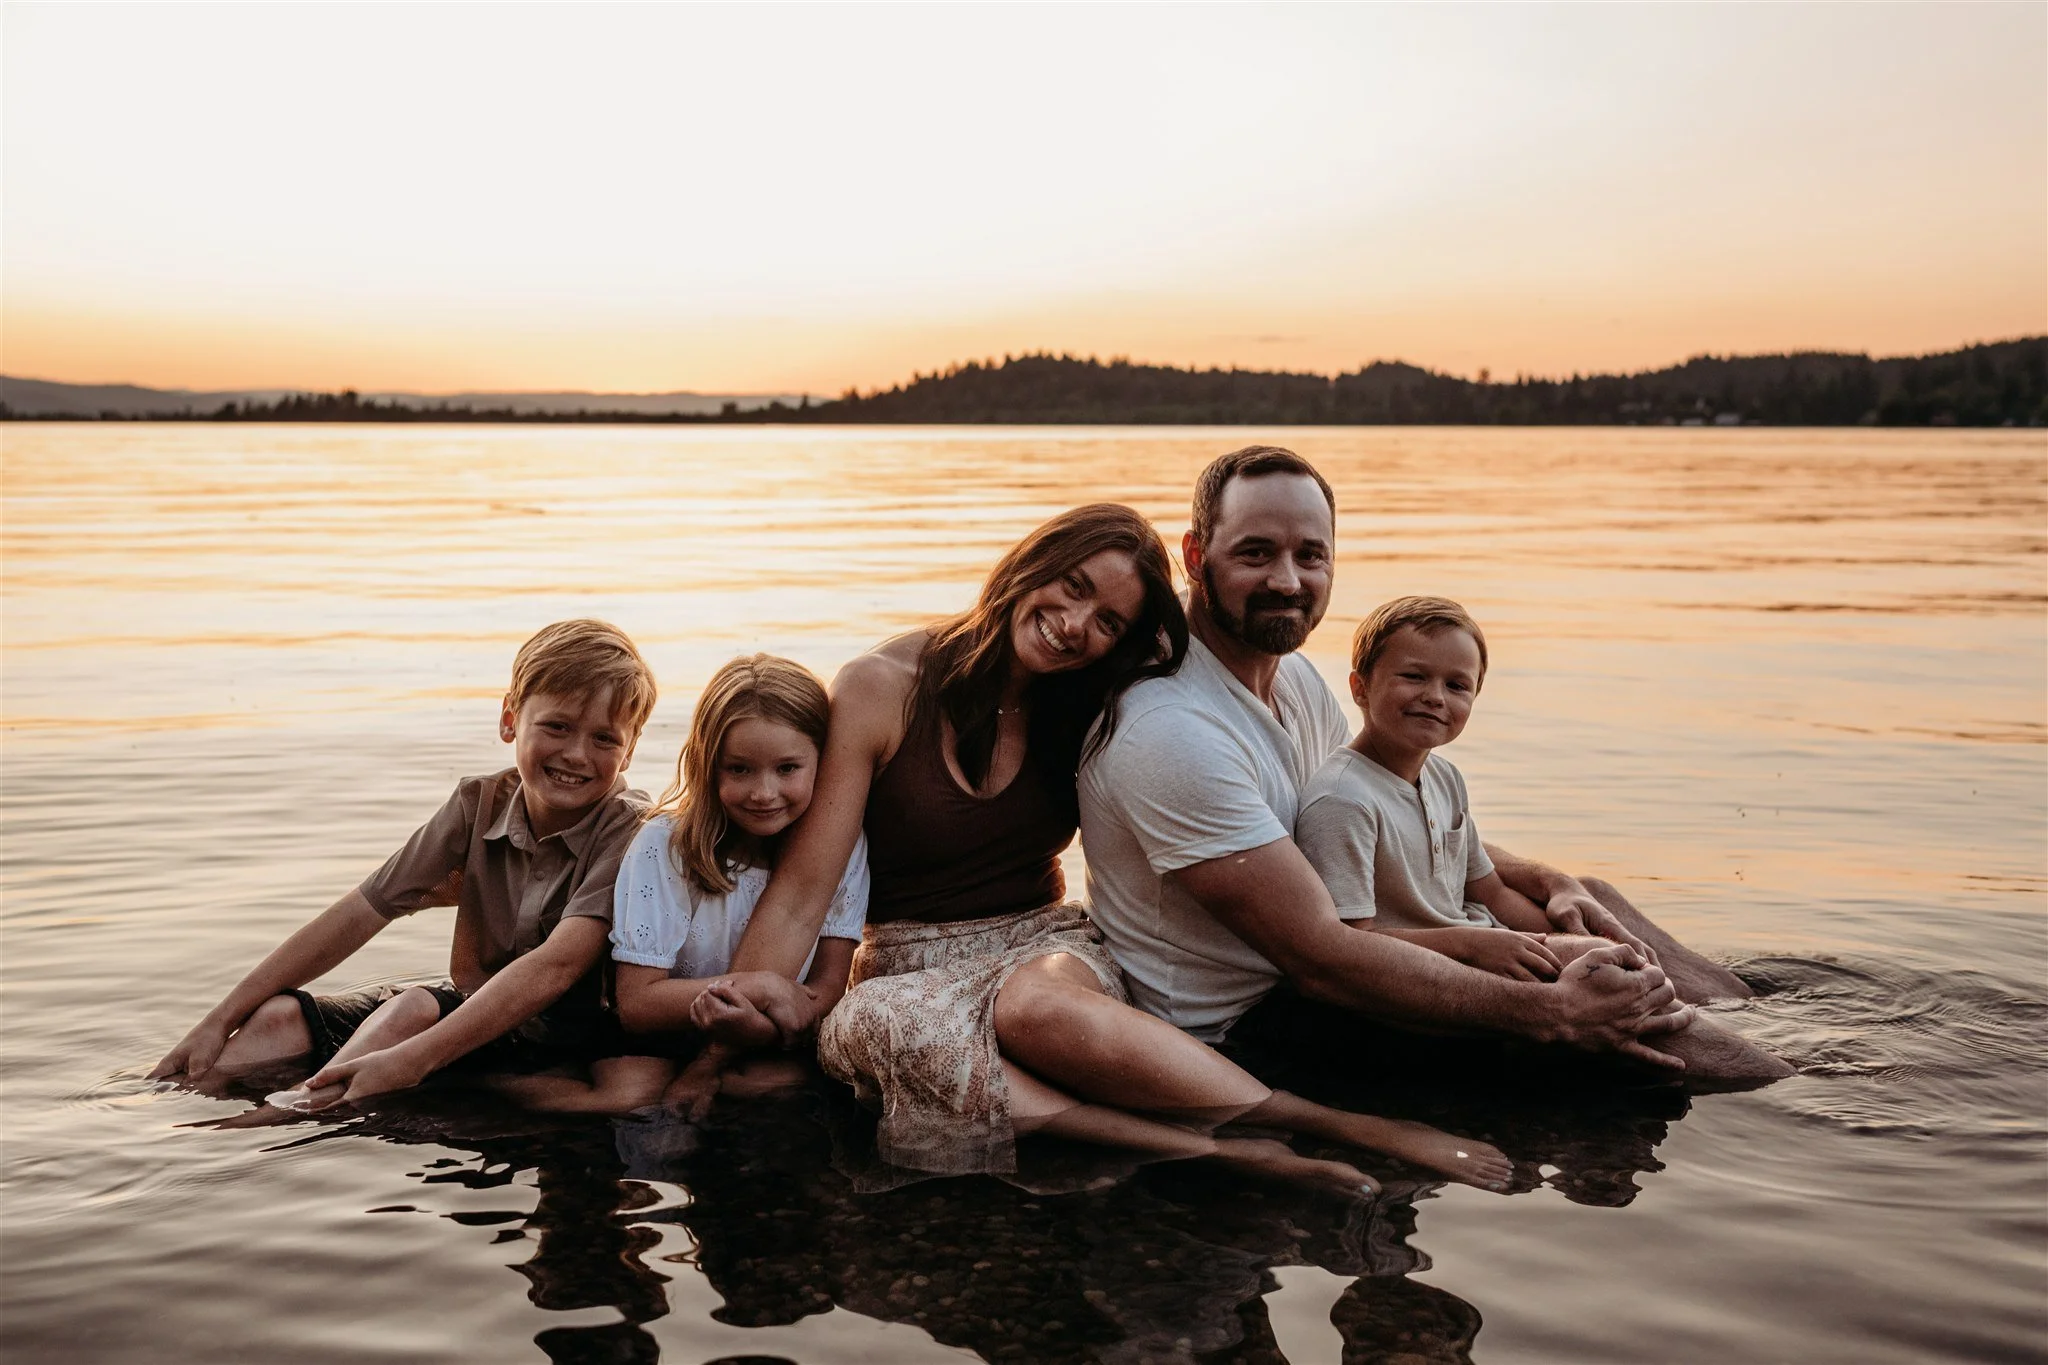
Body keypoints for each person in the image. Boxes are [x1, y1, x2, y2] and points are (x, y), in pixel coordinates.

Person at [719, 503, 1515, 1193]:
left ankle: (1337, 1125)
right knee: (882, 1025)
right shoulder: (882, 684)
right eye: (1073, 588)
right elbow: (801, 889)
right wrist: (717, 1041)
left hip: (1045, 940)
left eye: (1108, 624)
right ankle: (1218, 1149)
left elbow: (1315, 794)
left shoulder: (1094, 700)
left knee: (1037, 1006)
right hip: (908, 960)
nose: (1076, 627)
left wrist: (1489, 889)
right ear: (1030, 565)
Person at [1078, 446, 1726, 1064]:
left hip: (1332, 973)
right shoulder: (1167, 730)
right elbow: (1323, 955)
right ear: (1195, 556)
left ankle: (1772, 1009)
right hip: (1252, 1018)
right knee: (1642, 1023)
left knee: (1594, 897)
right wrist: (1550, 1009)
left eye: (1311, 555)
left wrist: (1548, 879)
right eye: (1256, 552)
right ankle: (1802, 1079)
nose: (1287, 579)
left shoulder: (1294, 679)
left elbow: (1376, 802)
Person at [150, 619, 658, 1107]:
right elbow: (364, 909)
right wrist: (216, 1021)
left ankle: (288, 1115)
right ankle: (156, 1108)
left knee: (412, 1010)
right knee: (278, 1017)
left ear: (630, 749)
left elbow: (558, 965)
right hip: (472, 1023)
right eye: (557, 726)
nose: (576, 754)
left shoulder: (629, 830)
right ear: (509, 720)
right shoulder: (477, 805)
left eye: (604, 739)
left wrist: (410, 1060)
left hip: (560, 1043)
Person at [1294, 595, 1790, 1079]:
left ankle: (1745, 1015)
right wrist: (1481, 947)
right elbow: (1349, 947)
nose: (1435, 696)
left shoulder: (1444, 778)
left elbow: (1487, 890)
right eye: (1414, 676)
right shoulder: (1343, 800)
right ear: (1360, 687)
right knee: (1606, 973)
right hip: (1421, 981)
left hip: (1477, 944)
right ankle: (1763, 1072)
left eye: (1457, 685)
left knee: (1598, 927)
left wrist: (1563, 940)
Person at [495, 654, 869, 1114]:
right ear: (707, 765)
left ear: (822, 763)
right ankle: (477, 1092)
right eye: (739, 769)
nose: (763, 792)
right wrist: (758, 987)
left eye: (787, 768)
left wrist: (764, 1025)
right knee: (628, 1096)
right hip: (665, 1035)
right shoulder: (666, 845)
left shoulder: (841, 846)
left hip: (769, 1031)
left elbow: (830, 982)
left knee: (777, 1084)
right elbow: (636, 1004)